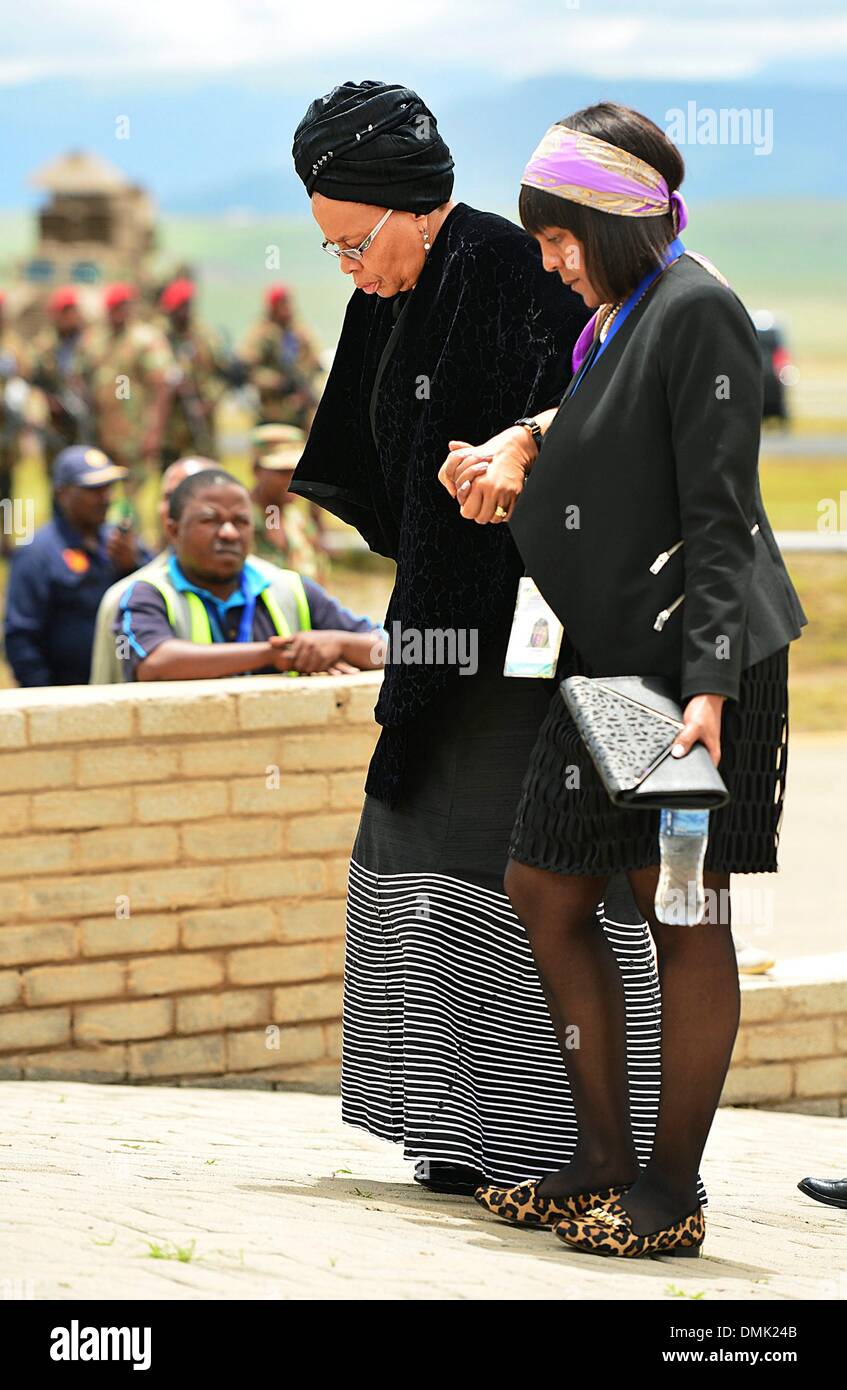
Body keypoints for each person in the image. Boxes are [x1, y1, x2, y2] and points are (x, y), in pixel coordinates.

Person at [288, 79, 667, 1198]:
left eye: (354, 242)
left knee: (514, 878)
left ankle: (551, 1140)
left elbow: (595, 441)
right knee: (417, 858)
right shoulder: (393, 288)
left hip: (528, 649)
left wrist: (504, 475)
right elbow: (378, 459)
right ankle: (454, 1129)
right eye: (331, 253)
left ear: (410, 205)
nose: (350, 269)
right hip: (443, 642)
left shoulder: (508, 274)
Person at [441, 103, 806, 1256]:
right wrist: (522, 437)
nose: (549, 261)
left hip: (690, 665)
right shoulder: (625, 313)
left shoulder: (698, 310)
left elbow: (719, 512)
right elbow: (608, 419)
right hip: (611, 653)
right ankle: (601, 1157)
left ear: (615, 218)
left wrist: (703, 693)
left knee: (680, 909)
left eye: (559, 239)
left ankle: (669, 1191)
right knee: (545, 885)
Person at [114, 467, 385, 681]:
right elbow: (154, 663)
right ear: (173, 530)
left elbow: (392, 649)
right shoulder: (147, 593)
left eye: (241, 522)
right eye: (210, 520)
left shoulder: (290, 588)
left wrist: (340, 644)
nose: (229, 533)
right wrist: (273, 654)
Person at [4, 445, 151, 686]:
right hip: (65, 693)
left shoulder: (121, 544)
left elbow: (156, 597)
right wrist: (46, 697)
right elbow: (20, 637)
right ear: (62, 493)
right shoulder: (37, 553)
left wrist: (131, 566)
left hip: (124, 686)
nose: (105, 498)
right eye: (93, 490)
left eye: (108, 488)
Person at [89, 454, 213, 683]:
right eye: (168, 497)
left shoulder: (279, 589)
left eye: (189, 496)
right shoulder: (120, 596)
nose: (174, 508)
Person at [87, 284, 173, 491]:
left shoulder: (146, 339)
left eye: (120, 307)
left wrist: (154, 433)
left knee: (131, 494)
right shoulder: (100, 340)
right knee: (104, 491)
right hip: (105, 433)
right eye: (112, 309)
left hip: (135, 433)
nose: (116, 314)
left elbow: (163, 386)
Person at [157, 278, 230, 467]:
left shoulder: (206, 337)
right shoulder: (160, 336)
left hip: (201, 418)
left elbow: (223, 375)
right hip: (171, 421)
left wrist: (209, 402)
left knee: (208, 469)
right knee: (169, 468)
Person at [251, 423, 330, 582]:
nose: (292, 480)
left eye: (297, 471)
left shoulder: (300, 524)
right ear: (257, 470)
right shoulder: (239, 524)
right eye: (282, 472)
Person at [237, 285, 321, 430]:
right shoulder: (261, 333)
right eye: (282, 303)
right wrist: (276, 381)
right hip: (271, 412)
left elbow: (314, 363)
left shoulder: (300, 331)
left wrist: (303, 391)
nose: (287, 307)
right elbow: (246, 370)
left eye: (288, 302)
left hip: (299, 413)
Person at [29, 288, 95, 459]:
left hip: (89, 415)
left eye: (71, 311)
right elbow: (33, 380)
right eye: (63, 312)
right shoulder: (43, 345)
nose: (68, 316)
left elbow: (117, 378)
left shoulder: (93, 342)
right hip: (56, 420)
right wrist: (48, 402)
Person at [0, 291, 30, 550]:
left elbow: (24, 377)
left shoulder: (12, 344)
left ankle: (6, 539)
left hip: (5, 438)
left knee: (7, 491)